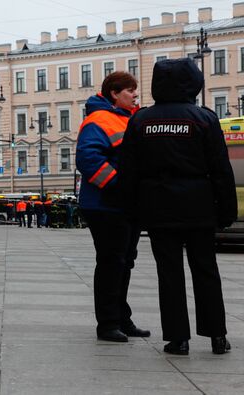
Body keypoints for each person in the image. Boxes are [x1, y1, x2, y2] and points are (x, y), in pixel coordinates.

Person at [120, 58, 237, 355]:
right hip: (199, 204)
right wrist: (226, 211)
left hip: (159, 206)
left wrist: (131, 210)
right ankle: (217, 336)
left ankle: (177, 338)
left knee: (169, 273)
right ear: (193, 83)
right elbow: (221, 170)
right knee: (206, 270)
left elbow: (129, 171)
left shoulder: (141, 120)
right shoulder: (204, 118)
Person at [76, 71, 149, 342]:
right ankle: (107, 324)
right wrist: (119, 187)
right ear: (114, 94)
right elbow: (88, 159)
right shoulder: (98, 120)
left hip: (125, 205)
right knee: (110, 263)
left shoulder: (130, 118)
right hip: (105, 205)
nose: (135, 95)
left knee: (124, 263)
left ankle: (121, 318)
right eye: (130, 90)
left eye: (135, 90)